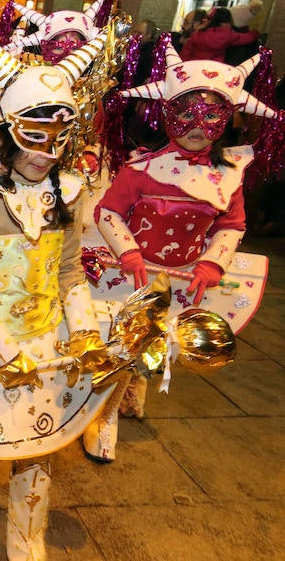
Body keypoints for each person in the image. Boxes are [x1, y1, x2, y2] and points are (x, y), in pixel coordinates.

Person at [0, 28, 108, 559]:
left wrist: (85, 333)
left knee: (39, 442)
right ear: (2, 132)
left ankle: (28, 531)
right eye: (33, 137)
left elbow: (70, 272)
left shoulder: (68, 193)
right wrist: (7, 355)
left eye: (59, 140)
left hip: (46, 340)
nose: (47, 154)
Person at [86, 43, 278, 461]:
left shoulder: (228, 176)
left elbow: (232, 225)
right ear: (165, 113)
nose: (197, 126)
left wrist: (212, 263)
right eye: (185, 114)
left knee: (154, 343)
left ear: (228, 118)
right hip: (131, 276)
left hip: (183, 278)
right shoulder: (139, 169)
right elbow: (108, 212)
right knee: (118, 344)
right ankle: (103, 416)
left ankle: (133, 387)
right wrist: (128, 253)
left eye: (211, 116)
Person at [181, 6, 259, 62]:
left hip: (194, 68)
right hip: (215, 71)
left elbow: (185, 55)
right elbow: (247, 38)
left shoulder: (197, 33)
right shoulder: (229, 35)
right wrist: (256, 32)